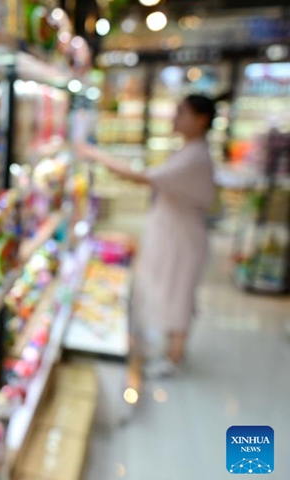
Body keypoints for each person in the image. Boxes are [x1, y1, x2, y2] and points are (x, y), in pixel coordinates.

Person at [77, 94, 217, 377]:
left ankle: (172, 358)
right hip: (175, 232)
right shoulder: (190, 150)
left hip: (182, 238)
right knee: (171, 290)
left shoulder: (195, 156)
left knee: (177, 293)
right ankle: (170, 351)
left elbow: (143, 177)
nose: (175, 118)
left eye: (181, 112)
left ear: (201, 119)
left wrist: (94, 154)